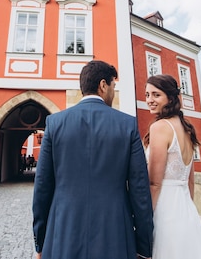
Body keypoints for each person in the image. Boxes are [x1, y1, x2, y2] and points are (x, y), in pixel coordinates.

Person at [32, 60, 153, 259]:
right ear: (103, 85)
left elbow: (42, 186)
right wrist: (143, 246)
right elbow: (140, 190)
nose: (113, 92)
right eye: (113, 86)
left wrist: (40, 241)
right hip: (115, 231)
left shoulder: (54, 123)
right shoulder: (127, 125)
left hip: (63, 229)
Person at [144, 74, 201, 259]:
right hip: (186, 209)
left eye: (156, 95)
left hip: (164, 209)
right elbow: (190, 181)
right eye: (147, 95)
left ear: (170, 98)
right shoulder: (187, 127)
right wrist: (186, 207)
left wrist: (144, 217)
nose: (150, 100)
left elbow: (154, 183)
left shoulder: (160, 127)